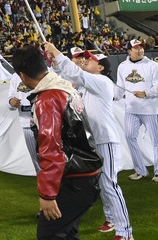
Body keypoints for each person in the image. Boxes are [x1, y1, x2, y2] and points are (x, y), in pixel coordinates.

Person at [11, 45, 102, 240]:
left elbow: (52, 148)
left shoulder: (48, 98)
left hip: (74, 178)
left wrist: (47, 194)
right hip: (84, 174)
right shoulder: (64, 87)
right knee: (68, 235)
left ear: (22, 75)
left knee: (48, 235)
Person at [45, 43, 134, 240]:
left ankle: (125, 232)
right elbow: (65, 80)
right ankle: (111, 219)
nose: (86, 60)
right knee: (99, 184)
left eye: (91, 59)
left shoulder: (101, 81)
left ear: (101, 67)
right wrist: (56, 64)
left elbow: (77, 75)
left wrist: (57, 52)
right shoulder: (88, 85)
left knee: (109, 184)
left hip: (105, 139)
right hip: (93, 141)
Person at [114, 39, 158, 182]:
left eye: (141, 47)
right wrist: (113, 97)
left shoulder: (153, 66)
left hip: (150, 110)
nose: (140, 50)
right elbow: (120, 87)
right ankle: (140, 170)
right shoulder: (122, 66)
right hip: (131, 109)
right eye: (136, 48)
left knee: (156, 141)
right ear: (129, 51)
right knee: (129, 137)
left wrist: (146, 93)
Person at [7, 71, 40, 173]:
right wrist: (11, 101)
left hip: (46, 123)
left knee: (51, 157)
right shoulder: (16, 76)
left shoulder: (44, 70)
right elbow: (10, 98)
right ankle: (42, 181)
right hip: (27, 123)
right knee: (36, 160)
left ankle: (56, 181)